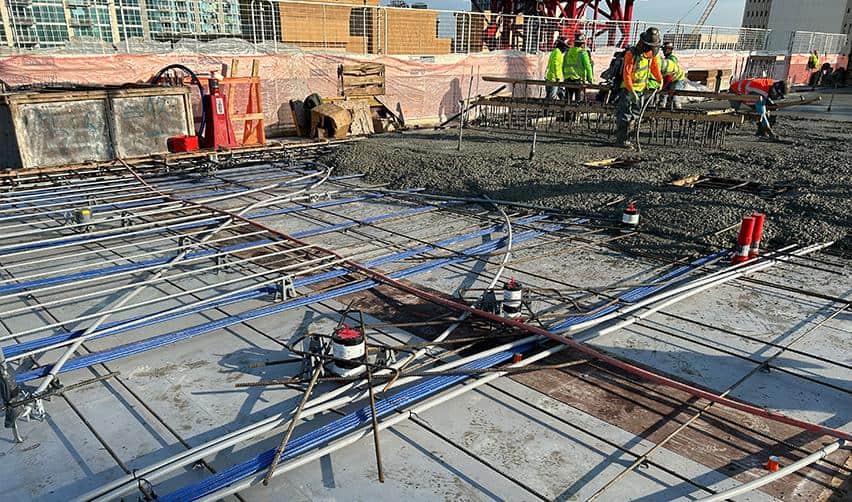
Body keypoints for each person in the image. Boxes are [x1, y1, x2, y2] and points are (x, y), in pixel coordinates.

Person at [614, 27, 663, 148]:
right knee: (624, 114)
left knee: (635, 115)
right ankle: (621, 140)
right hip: (628, 89)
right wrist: (631, 91)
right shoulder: (631, 54)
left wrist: (659, 79)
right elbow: (627, 74)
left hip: (641, 90)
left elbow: (655, 67)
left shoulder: (651, 54)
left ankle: (629, 138)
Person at [562, 33, 594, 102]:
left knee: (567, 100)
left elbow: (563, 65)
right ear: (582, 44)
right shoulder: (582, 53)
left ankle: (567, 112)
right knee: (578, 101)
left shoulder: (567, 52)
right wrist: (590, 79)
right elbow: (588, 67)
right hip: (578, 80)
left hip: (568, 79)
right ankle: (576, 113)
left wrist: (565, 76)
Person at [660, 41, 686, 110]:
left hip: (678, 79)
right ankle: (661, 111)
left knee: (675, 97)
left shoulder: (672, 59)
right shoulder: (665, 59)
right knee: (663, 95)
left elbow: (670, 75)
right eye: (663, 49)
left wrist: (663, 86)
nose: (663, 51)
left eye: (665, 49)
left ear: (670, 50)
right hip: (671, 79)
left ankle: (678, 111)